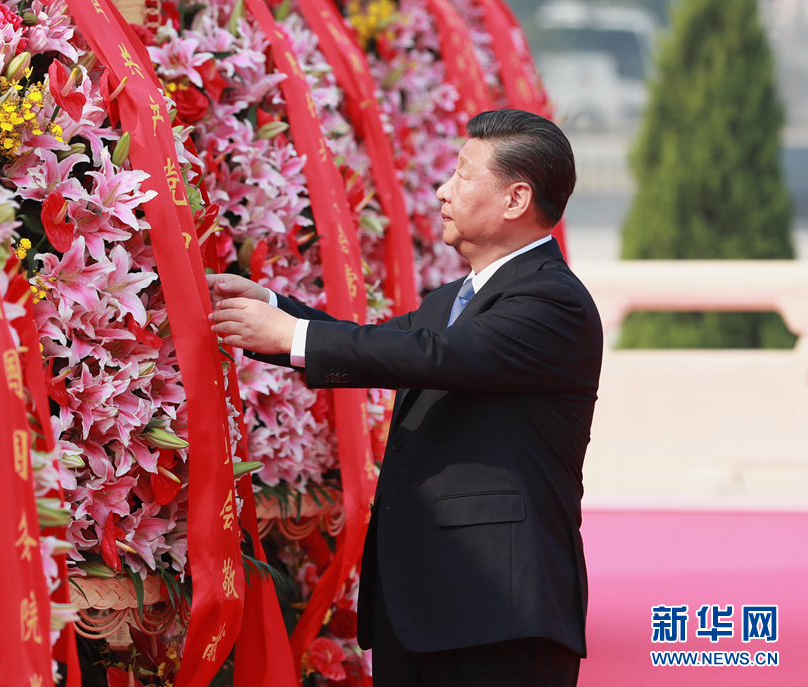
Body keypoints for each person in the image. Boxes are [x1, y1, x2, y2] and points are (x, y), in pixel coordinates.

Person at [207, 109, 602, 687]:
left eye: (462, 174)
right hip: (419, 606)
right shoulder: (451, 302)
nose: (443, 190)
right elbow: (380, 344)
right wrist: (268, 306)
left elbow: (435, 356)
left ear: (516, 199)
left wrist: (291, 333)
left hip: (500, 609)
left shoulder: (552, 301)